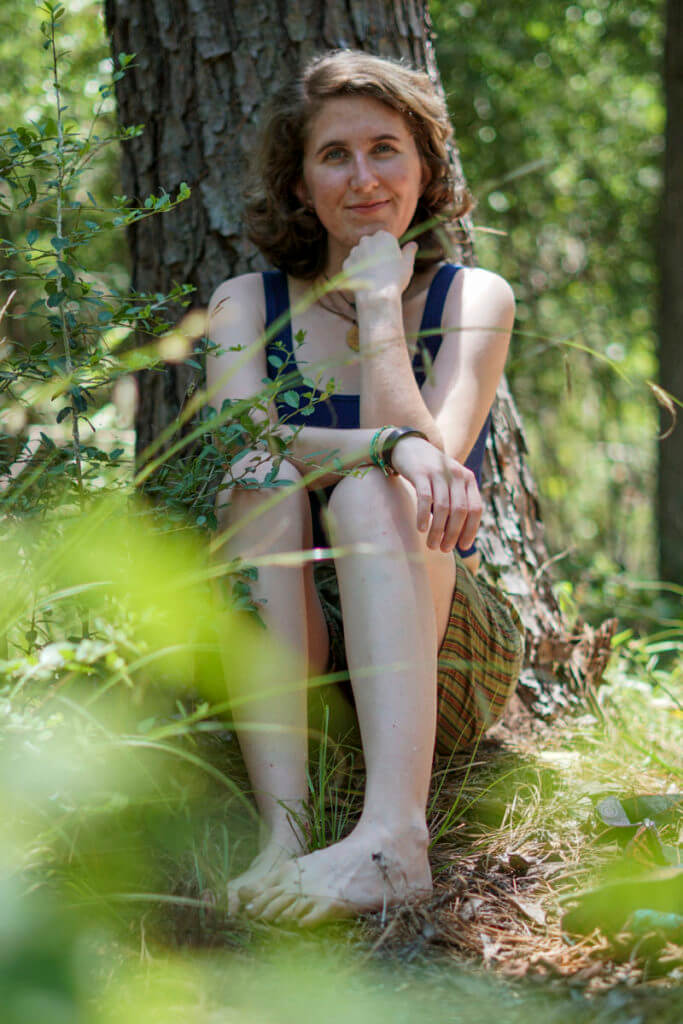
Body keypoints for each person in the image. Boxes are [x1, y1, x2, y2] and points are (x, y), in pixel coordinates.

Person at [207, 50, 524, 926]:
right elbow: (236, 438)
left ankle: (393, 837)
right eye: (334, 156)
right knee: (258, 474)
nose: (363, 178)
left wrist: (381, 309)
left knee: (373, 490)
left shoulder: (473, 295)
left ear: (425, 168)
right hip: (286, 642)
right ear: (300, 185)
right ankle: (286, 836)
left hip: (438, 646)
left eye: (385, 148)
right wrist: (381, 441)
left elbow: (434, 462)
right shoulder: (246, 302)